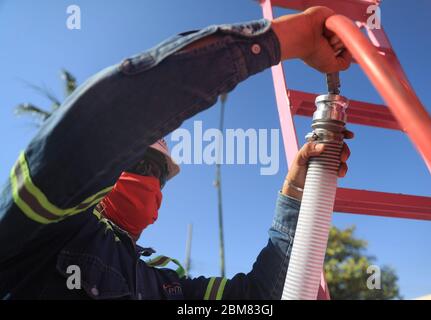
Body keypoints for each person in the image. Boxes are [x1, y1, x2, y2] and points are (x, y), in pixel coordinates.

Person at [0, 6, 351, 299]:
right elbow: (96, 126)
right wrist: (282, 39)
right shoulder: (47, 231)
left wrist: (295, 194)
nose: (151, 181)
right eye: (140, 162)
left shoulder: (167, 288)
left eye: (160, 176)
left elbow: (256, 300)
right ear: (106, 172)